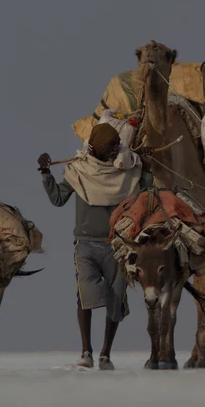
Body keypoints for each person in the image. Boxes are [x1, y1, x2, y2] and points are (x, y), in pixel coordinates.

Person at [37, 122, 152, 370]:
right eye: (111, 146)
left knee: (116, 297)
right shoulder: (80, 171)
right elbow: (58, 198)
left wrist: (147, 169)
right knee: (85, 296)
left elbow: (146, 193)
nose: (116, 149)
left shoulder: (127, 169)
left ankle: (105, 355)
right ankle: (86, 351)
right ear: (98, 148)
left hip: (118, 247)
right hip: (86, 245)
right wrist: (46, 174)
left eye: (117, 145)